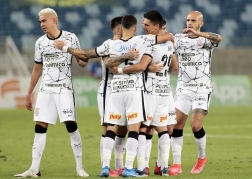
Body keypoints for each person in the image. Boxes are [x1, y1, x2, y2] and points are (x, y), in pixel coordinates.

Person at [54, 16, 138, 177]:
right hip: (108, 89)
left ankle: (118, 165)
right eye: (124, 28)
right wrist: (66, 48)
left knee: (123, 129)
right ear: (118, 29)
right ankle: (104, 165)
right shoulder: (108, 45)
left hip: (125, 90)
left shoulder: (131, 44)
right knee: (108, 128)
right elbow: (87, 54)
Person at [14, 8, 89, 178]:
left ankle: (80, 167)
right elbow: (37, 69)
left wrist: (67, 48)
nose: (41, 24)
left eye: (44, 21)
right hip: (46, 89)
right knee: (40, 126)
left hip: (64, 88)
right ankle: (34, 169)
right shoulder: (40, 42)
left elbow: (83, 61)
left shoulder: (71, 37)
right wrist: (28, 93)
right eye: (40, 21)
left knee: (71, 125)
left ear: (54, 20)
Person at [99, 14, 174, 178]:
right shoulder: (142, 41)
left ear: (120, 28)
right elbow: (143, 65)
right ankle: (133, 167)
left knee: (111, 128)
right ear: (134, 27)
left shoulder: (110, 44)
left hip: (115, 90)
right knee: (139, 128)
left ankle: (105, 166)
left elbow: (99, 59)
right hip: (139, 90)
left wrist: (65, 49)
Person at [169, 10, 222, 175]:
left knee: (195, 125)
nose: (189, 23)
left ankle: (201, 158)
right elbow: (167, 49)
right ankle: (176, 164)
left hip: (202, 87)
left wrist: (198, 33)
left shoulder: (206, 40)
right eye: (187, 20)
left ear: (201, 23)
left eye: (193, 20)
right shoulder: (178, 39)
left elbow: (218, 38)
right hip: (183, 88)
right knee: (176, 125)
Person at [134, 11, 178, 177]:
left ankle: (142, 167)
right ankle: (163, 167)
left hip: (149, 90)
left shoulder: (149, 44)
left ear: (157, 27)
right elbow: (174, 67)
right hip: (164, 89)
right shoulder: (169, 45)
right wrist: (163, 73)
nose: (144, 28)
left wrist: (147, 68)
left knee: (143, 127)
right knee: (163, 128)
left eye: (147, 25)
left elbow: (138, 66)